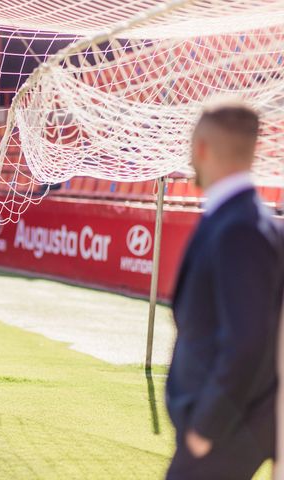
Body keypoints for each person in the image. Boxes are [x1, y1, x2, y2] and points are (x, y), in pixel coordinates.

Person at [165, 100, 284, 479]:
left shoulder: (240, 229)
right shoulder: (247, 219)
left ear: (201, 147)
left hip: (227, 430)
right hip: (234, 423)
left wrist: (206, 428)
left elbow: (247, 341)